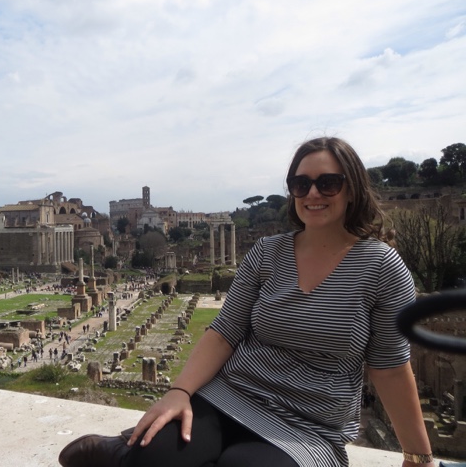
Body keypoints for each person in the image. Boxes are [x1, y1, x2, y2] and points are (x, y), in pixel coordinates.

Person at [58, 137, 434, 467]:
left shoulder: (382, 267)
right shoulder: (267, 252)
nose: (313, 194)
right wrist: (179, 391)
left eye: (328, 183)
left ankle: (125, 452)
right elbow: (224, 332)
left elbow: (390, 367)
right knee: (153, 457)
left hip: (310, 426)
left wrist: (418, 457)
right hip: (229, 396)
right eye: (300, 184)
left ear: (352, 189)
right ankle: (130, 451)